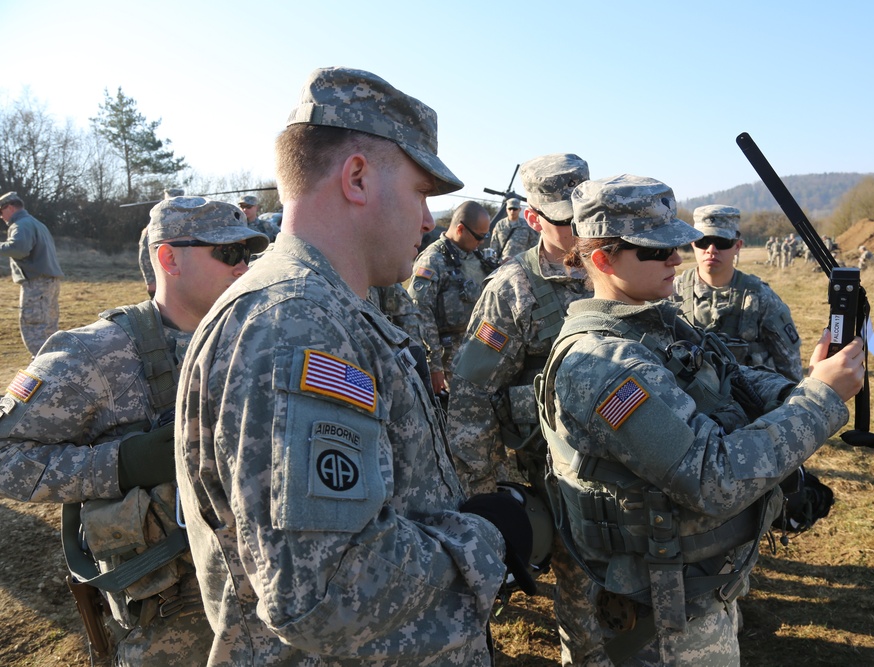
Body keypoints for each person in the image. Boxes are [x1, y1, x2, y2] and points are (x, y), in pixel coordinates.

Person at [174, 66, 531, 666]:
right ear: (358, 177)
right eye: (420, 193)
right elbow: (325, 591)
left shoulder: (321, 308)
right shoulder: (298, 324)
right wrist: (489, 538)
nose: (427, 220)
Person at [536, 174, 865, 666]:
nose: (676, 258)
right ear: (602, 258)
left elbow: (733, 380)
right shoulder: (603, 365)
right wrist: (820, 400)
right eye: (656, 250)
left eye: (676, 245)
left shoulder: (657, 321)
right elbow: (713, 479)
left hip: (697, 594)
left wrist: (808, 383)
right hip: (661, 624)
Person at [0, 196, 267, 664]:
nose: (243, 266)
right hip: (171, 616)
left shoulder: (256, 337)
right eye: (227, 253)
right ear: (168, 258)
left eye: (248, 252)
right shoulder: (95, 354)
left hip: (262, 596)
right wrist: (120, 463)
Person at [449, 153, 611, 665]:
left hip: (626, 461)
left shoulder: (611, 265)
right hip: (552, 469)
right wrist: (482, 496)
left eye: (588, 213)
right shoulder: (511, 290)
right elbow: (471, 393)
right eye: (568, 218)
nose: (582, 228)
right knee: (579, 584)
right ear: (534, 218)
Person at [672, 205, 803, 382]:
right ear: (693, 243)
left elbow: (790, 367)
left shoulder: (760, 297)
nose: (711, 250)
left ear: (737, 245)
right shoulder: (673, 293)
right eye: (703, 241)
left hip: (751, 401)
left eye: (722, 242)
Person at [407, 200, 494, 394]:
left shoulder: (474, 257)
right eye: (479, 237)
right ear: (461, 229)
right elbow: (420, 313)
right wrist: (434, 365)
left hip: (477, 352)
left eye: (485, 236)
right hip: (449, 361)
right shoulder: (433, 260)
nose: (482, 242)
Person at [0, 191, 64, 356]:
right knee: (49, 329)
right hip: (50, 282)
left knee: (34, 328)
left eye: (1, 211)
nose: (1, 216)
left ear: (11, 207)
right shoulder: (37, 224)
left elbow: (19, 249)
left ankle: (42, 368)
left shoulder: (20, 225)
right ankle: (54, 366)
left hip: (37, 284)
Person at [139, 189, 185, 298]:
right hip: (162, 280)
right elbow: (144, 254)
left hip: (184, 281)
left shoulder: (190, 224)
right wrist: (150, 281)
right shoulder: (153, 228)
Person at [489, 196, 539, 263]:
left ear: (519, 209)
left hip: (521, 263)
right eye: (510, 209)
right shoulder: (500, 225)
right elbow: (494, 244)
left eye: (515, 209)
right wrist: (494, 261)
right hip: (502, 263)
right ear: (506, 209)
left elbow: (534, 244)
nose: (512, 211)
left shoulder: (526, 225)